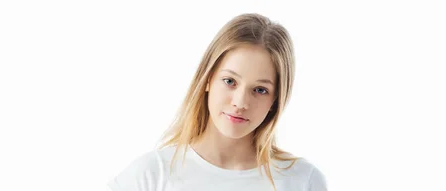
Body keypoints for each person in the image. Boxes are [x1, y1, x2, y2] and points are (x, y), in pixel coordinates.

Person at [107, 13, 327, 191]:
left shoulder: (302, 181)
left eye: (260, 90)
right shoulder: (149, 176)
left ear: (276, 99)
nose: (240, 102)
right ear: (208, 79)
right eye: (230, 81)